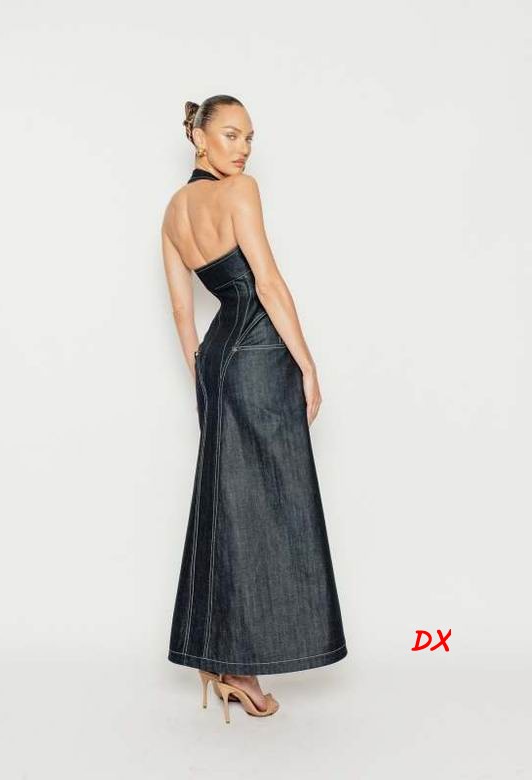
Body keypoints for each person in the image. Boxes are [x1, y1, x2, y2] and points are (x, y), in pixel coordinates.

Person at [161, 95, 347, 723]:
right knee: (273, 505)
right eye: (231, 135)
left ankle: (220, 659)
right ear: (200, 138)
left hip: (216, 356)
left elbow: (183, 312)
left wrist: (203, 379)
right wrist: (307, 361)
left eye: (249, 138)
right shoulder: (240, 191)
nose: (243, 149)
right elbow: (266, 282)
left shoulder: (173, 212)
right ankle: (241, 664)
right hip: (262, 350)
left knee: (227, 501)